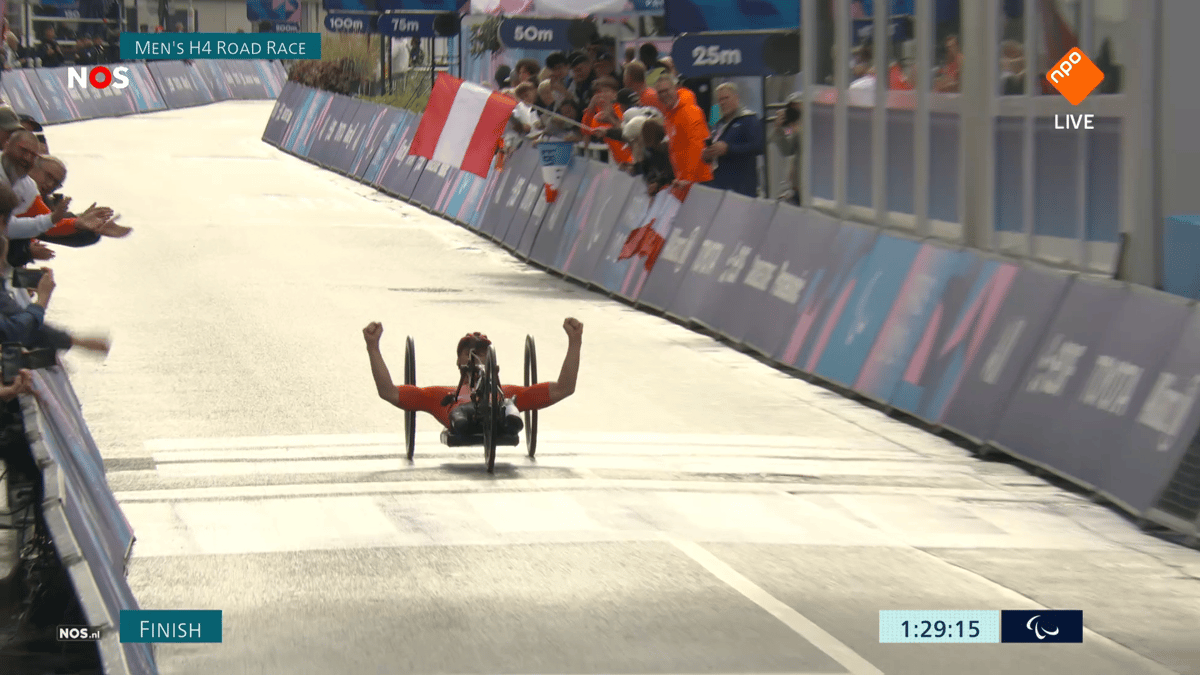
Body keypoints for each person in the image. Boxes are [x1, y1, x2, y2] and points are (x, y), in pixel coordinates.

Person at [364, 318, 583, 437]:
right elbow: (389, 392)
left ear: (492, 360)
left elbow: (563, 388)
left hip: (499, 412)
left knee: (508, 404)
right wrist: (373, 347)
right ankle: (464, 421)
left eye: (480, 352)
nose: (474, 356)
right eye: (468, 352)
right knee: (461, 412)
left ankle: (507, 420)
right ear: (458, 360)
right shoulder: (441, 395)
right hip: (461, 417)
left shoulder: (508, 392)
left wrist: (575, 342)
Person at [702, 82, 763, 198]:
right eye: (720, 100)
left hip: (742, 188)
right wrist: (709, 154)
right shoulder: (718, 123)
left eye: (726, 98)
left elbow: (758, 146)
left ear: (736, 98)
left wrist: (728, 149)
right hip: (720, 187)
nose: (723, 102)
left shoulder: (748, 119)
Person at [654, 73, 713, 188]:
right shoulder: (669, 115)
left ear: (675, 88)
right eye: (660, 92)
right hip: (683, 180)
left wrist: (689, 178)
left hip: (698, 181)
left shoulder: (689, 111)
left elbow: (696, 146)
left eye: (666, 90)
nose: (664, 95)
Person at [582, 77, 633, 168]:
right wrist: (590, 108)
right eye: (597, 93)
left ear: (614, 94)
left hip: (632, 159)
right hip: (617, 163)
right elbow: (586, 133)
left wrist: (610, 118)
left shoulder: (620, 107)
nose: (601, 96)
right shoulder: (598, 116)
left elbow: (626, 131)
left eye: (605, 91)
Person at [769, 93, 801, 204]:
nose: (795, 112)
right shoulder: (793, 129)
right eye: (791, 108)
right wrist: (778, 129)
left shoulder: (814, 124)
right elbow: (787, 150)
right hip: (795, 186)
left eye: (798, 107)